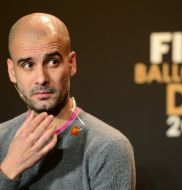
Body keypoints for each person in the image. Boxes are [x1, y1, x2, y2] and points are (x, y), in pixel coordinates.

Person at [0, 13, 136, 190]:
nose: (41, 78)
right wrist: (9, 170)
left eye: (52, 62)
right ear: (12, 71)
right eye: (27, 65)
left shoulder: (108, 147)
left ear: (71, 63)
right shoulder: (1, 139)